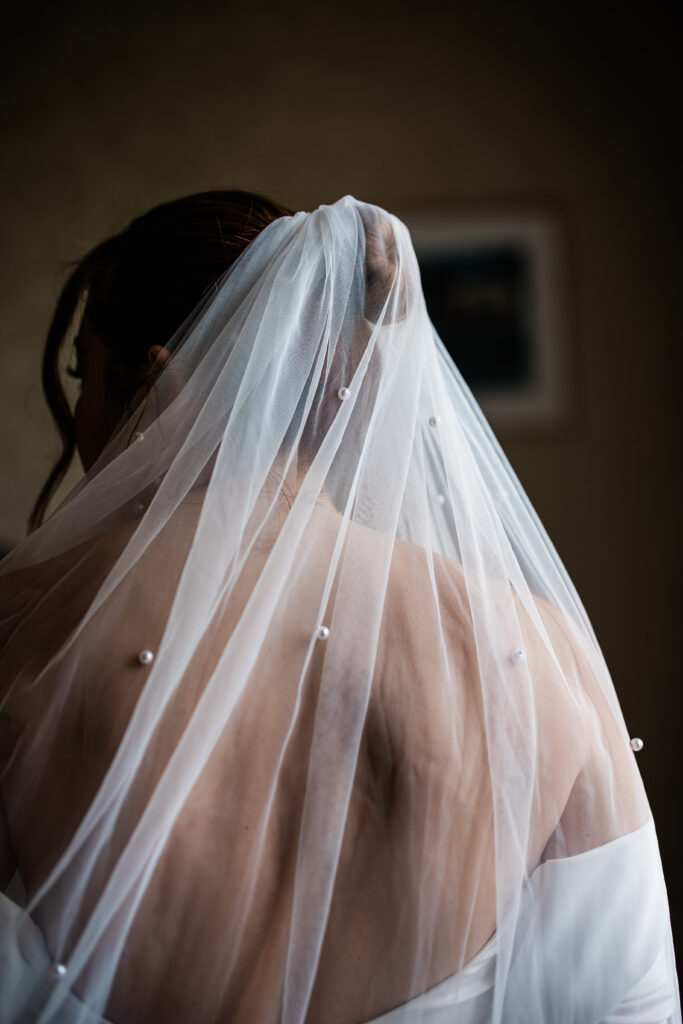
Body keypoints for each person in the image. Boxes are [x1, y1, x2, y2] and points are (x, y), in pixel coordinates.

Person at [0, 190, 679, 1024]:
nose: (79, 423)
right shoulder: (538, 650)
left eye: (85, 376)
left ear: (163, 382)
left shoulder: (19, 629)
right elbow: (629, 1005)